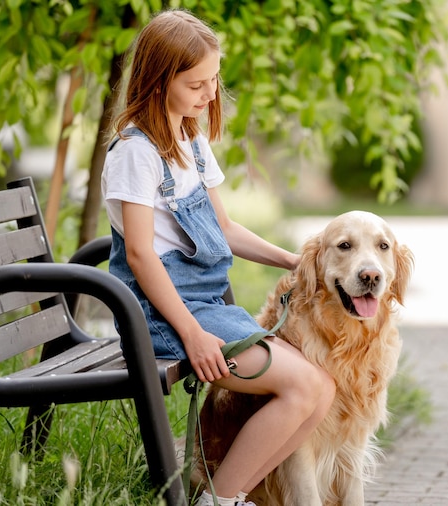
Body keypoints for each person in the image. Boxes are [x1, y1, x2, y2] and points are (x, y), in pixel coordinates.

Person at [101, 9, 335, 506]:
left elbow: (225, 230)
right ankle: (221, 500)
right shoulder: (134, 153)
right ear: (158, 81)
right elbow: (141, 257)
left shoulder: (190, 139)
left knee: (319, 390)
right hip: (160, 316)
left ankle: (224, 495)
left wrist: (294, 261)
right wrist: (192, 332)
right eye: (196, 84)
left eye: (213, 80)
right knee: (303, 388)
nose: (210, 95)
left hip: (205, 305)